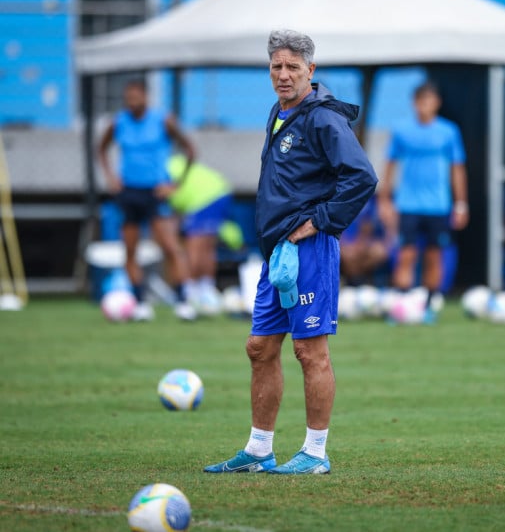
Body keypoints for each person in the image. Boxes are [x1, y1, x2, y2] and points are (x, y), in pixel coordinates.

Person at [204, 29, 377, 475]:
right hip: (278, 253)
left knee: (310, 352)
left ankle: (315, 454)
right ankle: (260, 450)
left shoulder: (322, 119)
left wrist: (319, 221)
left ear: (311, 71)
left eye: (293, 67)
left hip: (310, 251)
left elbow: (361, 177)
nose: (283, 75)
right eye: (276, 66)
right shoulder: (279, 112)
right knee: (260, 347)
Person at [97, 79, 197, 321]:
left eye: (136, 97)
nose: (132, 102)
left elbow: (189, 149)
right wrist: (111, 178)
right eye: (128, 98)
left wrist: (176, 183)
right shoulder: (118, 122)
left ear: (146, 97)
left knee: (171, 248)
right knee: (130, 250)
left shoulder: (163, 121)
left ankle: (183, 300)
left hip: (155, 193)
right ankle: (140, 302)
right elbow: (101, 149)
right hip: (129, 192)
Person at [377, 82, 468, 323]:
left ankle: (427, 307)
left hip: (438, 205)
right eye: (420, 101)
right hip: (408, 205)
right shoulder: (402, 130)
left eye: (429, 100)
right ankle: (400, 306)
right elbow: (390, 165)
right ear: (414, 103)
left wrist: (461, 203)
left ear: (436, 103)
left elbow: (457, 168)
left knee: (434, 256)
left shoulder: (448, 132)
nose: (424, 106)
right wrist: (385, 199)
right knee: (406, 254)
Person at [166, 155, 244, 315]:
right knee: (206, 248)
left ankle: (191, 295)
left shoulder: (159, 170)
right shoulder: (170, 163)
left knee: (196, 248)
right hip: (219, 192)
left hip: (205, 198)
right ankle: (204, 291)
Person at [339, 196, 392, 286]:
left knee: (378, 252)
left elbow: (384, 233)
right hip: (345, 243)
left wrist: (362, 245)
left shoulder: (375, 202)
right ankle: (352, 283)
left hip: (367, 245)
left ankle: (362, 282)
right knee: (346, 254)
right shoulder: (342, 199)